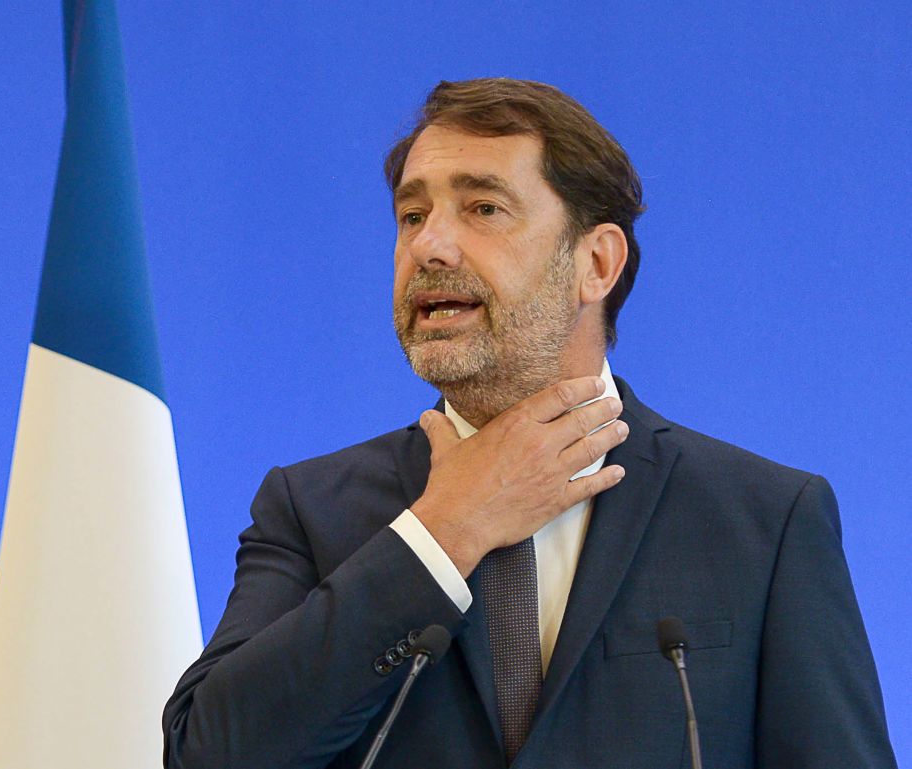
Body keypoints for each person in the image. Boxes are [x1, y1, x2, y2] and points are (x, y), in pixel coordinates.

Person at [162, 78, 896, 769]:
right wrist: (443, 531)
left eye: (483, 208)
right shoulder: (310, 507)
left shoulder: (763, 522)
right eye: (412, 215)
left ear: (596, 264)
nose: (429, 246)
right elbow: (207, 751)